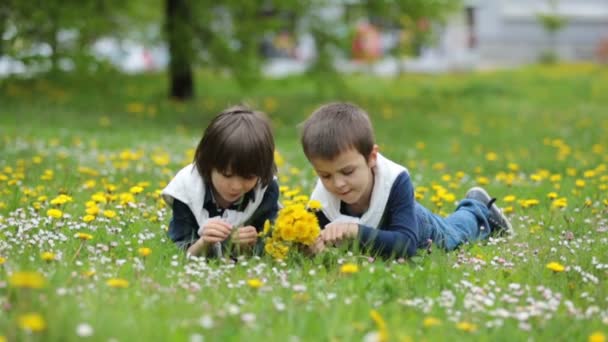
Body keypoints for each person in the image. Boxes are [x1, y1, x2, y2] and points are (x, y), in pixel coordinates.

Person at [300, 102, 513, 258]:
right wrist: (314, 247)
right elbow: (316, 242)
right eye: (325, 175)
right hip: (382, 232)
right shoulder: (321, 199)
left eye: (347, 172)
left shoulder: (395, 180)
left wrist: (354, 231)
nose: (338, 184)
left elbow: (406, 246)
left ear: (372, 157)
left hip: (420, 230)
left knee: (454, 233)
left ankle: (477, 207)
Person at [162, 106, 279, 258]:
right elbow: (178, 249)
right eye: (226, 175)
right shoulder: (187, 189)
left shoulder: (265, 189)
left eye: (249, 177)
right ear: (208, 164)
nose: (236, 186)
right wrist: (203, 243)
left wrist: (251, 245)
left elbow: (272, 244)